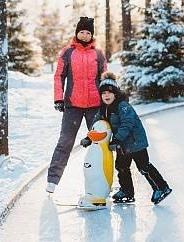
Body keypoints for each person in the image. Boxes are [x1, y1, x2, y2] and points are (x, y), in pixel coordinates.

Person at [83, 71, 172, 205]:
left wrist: (116, 139)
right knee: (121, 167)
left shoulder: (122, 106)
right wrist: (89, 138)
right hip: (122, 146)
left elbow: (127, 124)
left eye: (109, 92)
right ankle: (127, 192)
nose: (106, 95)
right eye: (103, 93)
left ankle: (161, 187)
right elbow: (98, 126)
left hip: (135, 142)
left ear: (115, 93)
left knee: (144, 167)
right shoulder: (103, 109)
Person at [46, 16, 107, 193]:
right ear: (77, 32)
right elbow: (59, 76)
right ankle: (52, 180)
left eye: (88, 32)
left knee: (100, 142)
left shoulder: (98, 53)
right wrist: (59, 98)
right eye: (82, 31)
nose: (85, 35)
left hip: (95, 106)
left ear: (92, 34)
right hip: (73, 105)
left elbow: (104, 77)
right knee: (65, 141)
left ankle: (104, 178)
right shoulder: (67, 52)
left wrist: (107, 100)